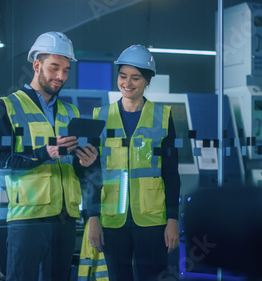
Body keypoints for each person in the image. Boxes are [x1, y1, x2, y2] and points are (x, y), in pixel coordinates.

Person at [0, 31, 98, 281]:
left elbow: (76, 169)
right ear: (36, 65)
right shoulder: (8, 107)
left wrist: (86, 163)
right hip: (28, 220)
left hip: (65, 219)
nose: (61, 76)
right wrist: (44, 153)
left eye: (66, 70)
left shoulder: (71, 112)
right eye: (54, 68)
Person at [87, 45, 181, 281]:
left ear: (147, 81)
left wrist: (173, 220)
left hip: (152, 220)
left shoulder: (163, 117)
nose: (127, 83)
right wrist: (93, 217)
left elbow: (171, 173)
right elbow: (93, 173)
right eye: (122, 76)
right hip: (112, 220)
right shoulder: (100, 116)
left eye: (135, 78)